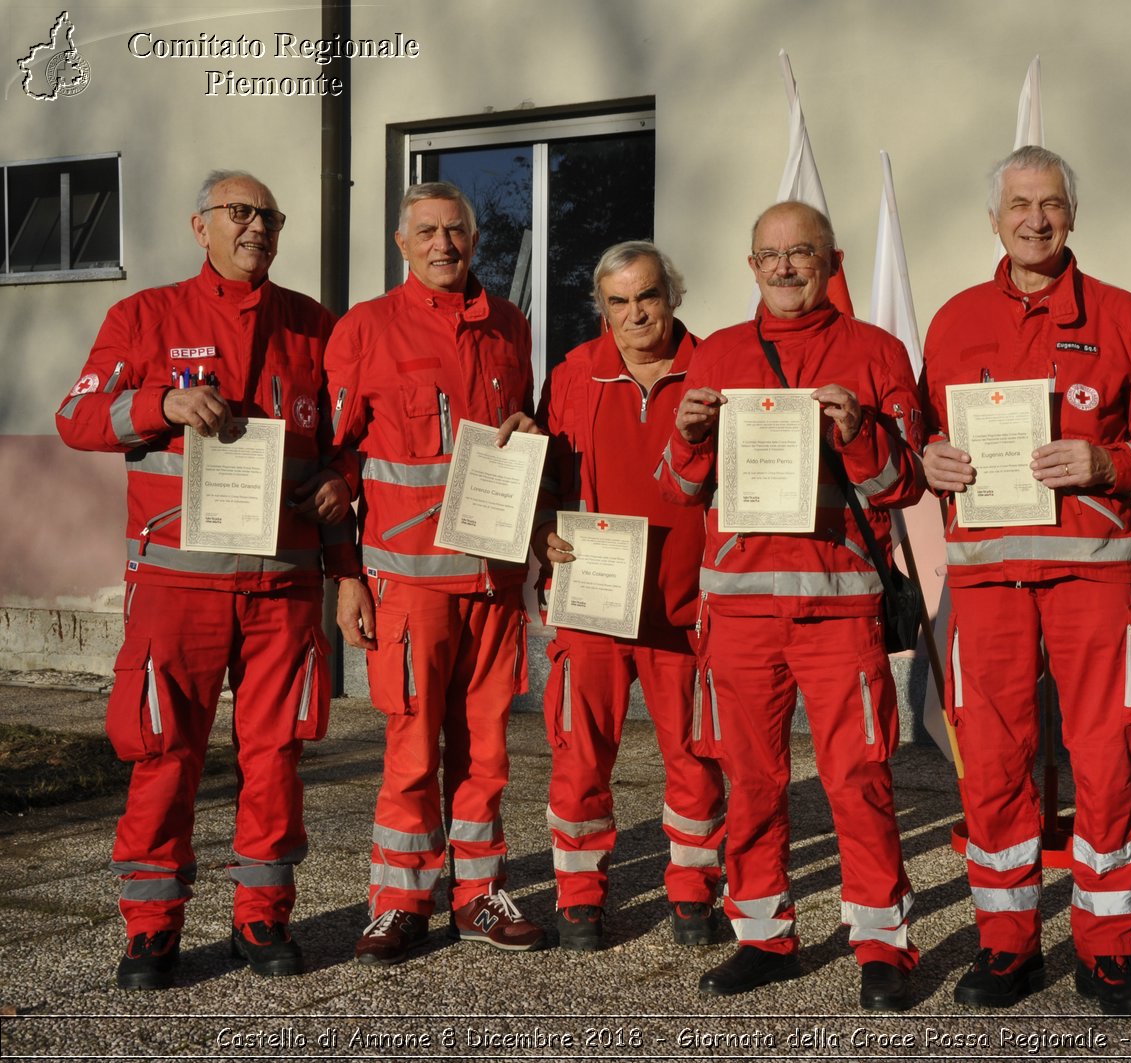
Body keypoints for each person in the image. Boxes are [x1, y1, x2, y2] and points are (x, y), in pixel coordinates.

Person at [56, 170, 348, 989]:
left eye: (269, 214)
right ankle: (151, 929)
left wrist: (341, 481)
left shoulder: (313, 327)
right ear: (200, 225)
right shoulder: (142, 316)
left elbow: (345, 437)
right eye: (239, 212)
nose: (257, 225)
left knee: (278, 755)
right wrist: (160, 405)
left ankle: (264, 917)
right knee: (164, 754)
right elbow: (76, 417)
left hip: (284, 587)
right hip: (177, 588)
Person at [660, 201, 924, 1011]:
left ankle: (882, 942)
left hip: (839, 609)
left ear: (830, 259)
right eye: (769, 255)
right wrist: (689, 434)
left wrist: (859, 434)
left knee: (858, 776)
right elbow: (681, 488)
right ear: (751, 267)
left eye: (800, 252)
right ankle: (762, 935)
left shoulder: (877, 353)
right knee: (752, 780)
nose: (784, 267)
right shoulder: (718, 354)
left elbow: (904, 485)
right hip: (739, 611)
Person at [920, 146, 1131, 1014]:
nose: (1035, 218)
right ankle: (1005, 943)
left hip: (1094, 582)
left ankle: (1109, 949)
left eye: (1051, 202)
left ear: (1072, 214)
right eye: (1019, 203)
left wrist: (1108, 461)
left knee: (1108, 763)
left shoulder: (1127, 317)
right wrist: (930, 459)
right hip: (986, 585)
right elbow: (920, 440)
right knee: (991, 766)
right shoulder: (951, 321)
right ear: (995, 219)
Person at [329, 181, 543, 965]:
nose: (443, 244)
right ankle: (399, 903)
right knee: (412, 749)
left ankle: (479, 894)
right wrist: (345, 574)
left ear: (475, 239)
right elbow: (340, 464)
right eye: (427, 232)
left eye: (457, 230)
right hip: (409, 585)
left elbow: (523, 432)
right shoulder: (365, 329)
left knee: (487, 751)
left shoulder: (510, 325)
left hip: (492, 584)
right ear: (402, 243)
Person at [524, 241, 725, 951]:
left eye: (647, 295)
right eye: (619, 301)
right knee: (579, 753)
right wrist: (542, 525)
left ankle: (694, 892)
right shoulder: (575, 372)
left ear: (672, 294)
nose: (636, 313)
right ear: (600, 308)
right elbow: (547, 475)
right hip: (593, 598)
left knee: (695, 756)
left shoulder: (720, 367)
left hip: (687, 601)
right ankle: (579, 897)